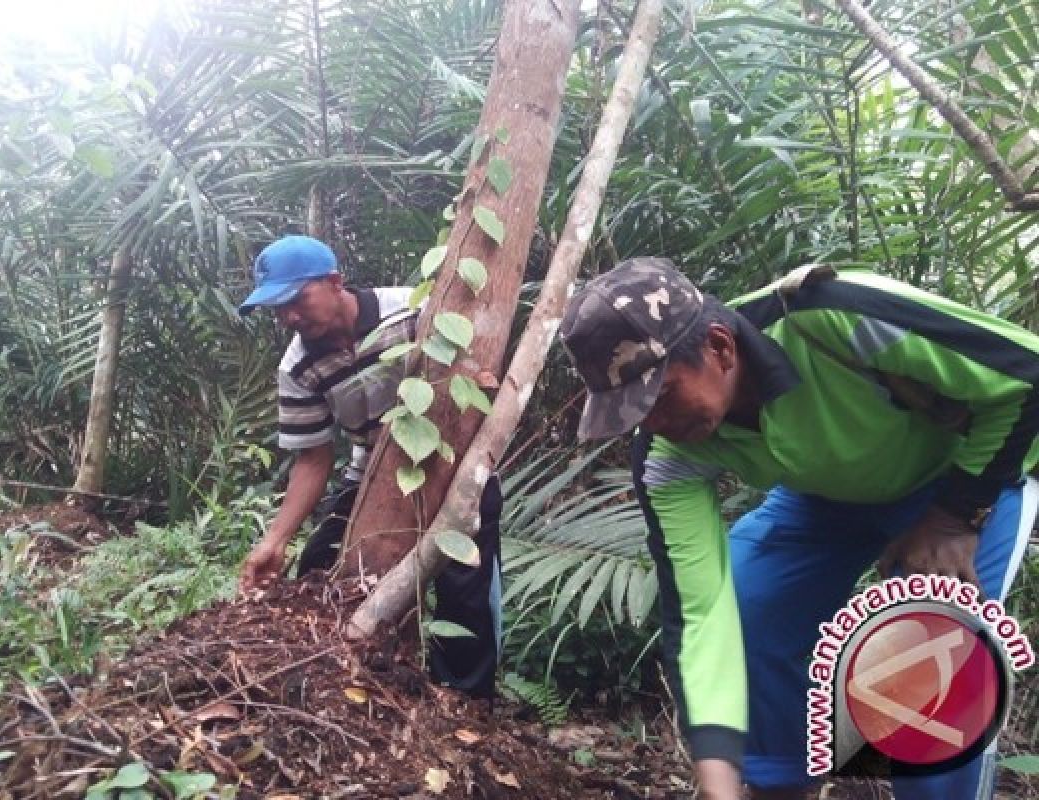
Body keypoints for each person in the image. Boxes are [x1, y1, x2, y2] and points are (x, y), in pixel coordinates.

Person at [558, 257, 1039, 800]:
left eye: (661, 397)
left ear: (720, 347)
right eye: (632, 414)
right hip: (829, 496)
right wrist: (719, 783)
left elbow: (1027, 373)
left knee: (934, 654)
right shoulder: (666, 452)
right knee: (745, 605)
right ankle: (774, 784)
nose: (655, 424)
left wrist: (956, 514)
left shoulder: (838, 318)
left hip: (962, 481)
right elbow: (700, 615)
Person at [236, 234, 502, 698]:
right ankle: (352, 690)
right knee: (321, 570)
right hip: (370, 475)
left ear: (335, 282)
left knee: (466, 591)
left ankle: (464, 706)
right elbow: (314, 456)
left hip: (456, 468)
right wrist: (275, 540)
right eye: (277, 310)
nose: (288, 318)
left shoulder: (414, 311)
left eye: (295, 301)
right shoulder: (298, 368)